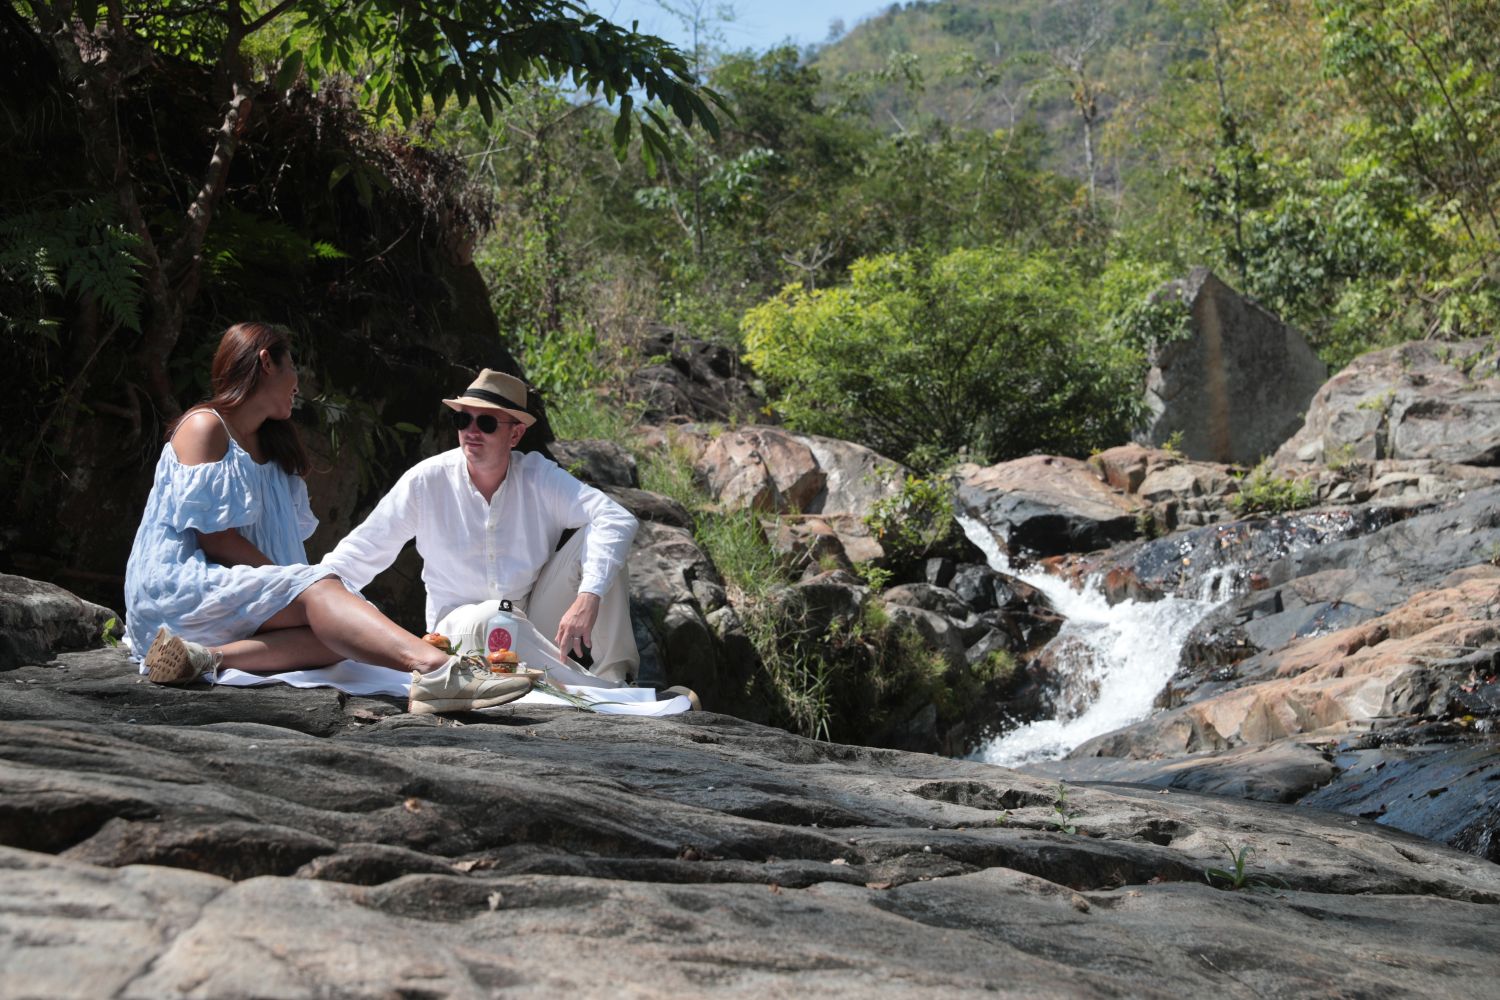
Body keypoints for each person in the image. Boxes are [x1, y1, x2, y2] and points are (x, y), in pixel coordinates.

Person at [123, 322, 531, 713]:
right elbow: (216, 540)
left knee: (345, 631)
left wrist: (299, 589)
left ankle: (203, 657)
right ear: (266, 362)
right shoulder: (204, 427)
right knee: (328, 603)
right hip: (181, 588)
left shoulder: (272, 445)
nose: (297, 383)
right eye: (292, 367)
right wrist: (293, 585)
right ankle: (438, 670)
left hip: (234, 595)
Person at [320, 368, 641, 686]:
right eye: (463, 420)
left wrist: (588, 596)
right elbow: (361, 550)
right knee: (493, 616)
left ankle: (616, 678)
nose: (471, 431)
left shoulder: (539, 477)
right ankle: (602, 694)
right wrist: (311, 597)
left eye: (486, 423)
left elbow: (616, 519)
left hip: (529, 622)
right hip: (458, 632)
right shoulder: (427, 481)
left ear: (515, 435)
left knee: (601, 547)